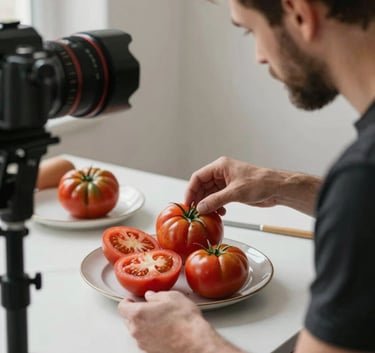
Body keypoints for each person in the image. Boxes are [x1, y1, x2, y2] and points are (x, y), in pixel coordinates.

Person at [118, 0, 375, 352]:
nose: (260, 57)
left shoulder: (360, 182)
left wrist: (189, 340)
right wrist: (288, 187)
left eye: (250, 30)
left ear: (299, 12)